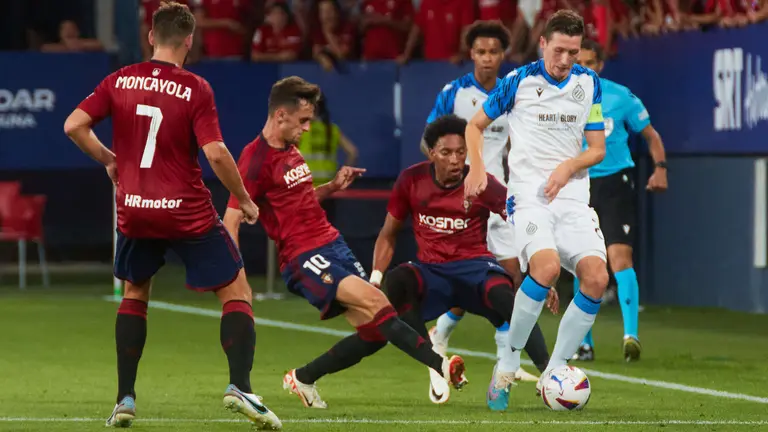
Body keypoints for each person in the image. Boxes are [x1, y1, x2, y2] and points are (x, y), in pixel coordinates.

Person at [62, 3, 281, 429]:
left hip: (135, 209)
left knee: (135, 292)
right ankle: (240, 386)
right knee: (236, 289)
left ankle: (124, 399)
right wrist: (245, 199)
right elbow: (215, 153)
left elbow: (73, 125)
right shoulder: (195, 87)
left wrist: (111, 161)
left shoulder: (119, 79)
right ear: (189, 41)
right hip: (186, 211)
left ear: (150, 37)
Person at [276, 115, 558, 410]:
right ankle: (310, 376)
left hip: (475, 268)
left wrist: (537, 272)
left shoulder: (481, 183)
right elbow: (388, 234)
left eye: (461, 152)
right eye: (446, 152)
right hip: (431, 273)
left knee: (507, 298)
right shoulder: (411, 180)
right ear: (431, 152)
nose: (455, 160)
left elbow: (522, 222)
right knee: (391, 297)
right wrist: (375, 279)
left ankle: (549, 375)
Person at [222, 76, 467, 410]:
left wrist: (333, 186)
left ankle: (304, 377)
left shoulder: (291, 150)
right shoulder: (254, 160)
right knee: (376, 302)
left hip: (332, 243)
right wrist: (237, 276)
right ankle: (439, 365)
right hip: (302, 256)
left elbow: (301, 200)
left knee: (376, 332)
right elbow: (231, 219)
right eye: (303, 120)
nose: (308, 128)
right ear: (281, 115)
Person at [464, 9, 610, 398]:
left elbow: (597, 149)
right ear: (543, 43)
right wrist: (477, 168)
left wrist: (568, 167)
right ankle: (509, 359)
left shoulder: (589, 83)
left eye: (573, 53)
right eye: (559, 50)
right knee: (544, 268)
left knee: (596, 278)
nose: (565, 61)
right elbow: (474, 125)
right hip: (528, 194)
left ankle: (556, 368)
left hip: (574, 195)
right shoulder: (518, 81)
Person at [421, 20, 553, 399]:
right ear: (471, 54)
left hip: (503, 198)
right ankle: (448, 336)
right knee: (471, 277)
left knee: (510, 279)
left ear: (503, 55)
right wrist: (448, 182)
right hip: (465, 200)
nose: (487, 58)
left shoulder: (516, 90)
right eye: (481, 52)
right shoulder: (455, 93)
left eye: (494, 52)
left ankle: (500, 358)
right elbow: (428, 141)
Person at [573, 38, 668, 362]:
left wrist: (661, 168)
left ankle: (631, 337)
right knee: (581, 264)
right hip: (578, 186)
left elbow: (651, 135)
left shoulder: (619, 96)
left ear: (600, 65)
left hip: (615, 184)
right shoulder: (560, 100)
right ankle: (583, 343)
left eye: (589, 62)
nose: (584, 68)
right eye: (578, 62)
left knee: (620, 260)